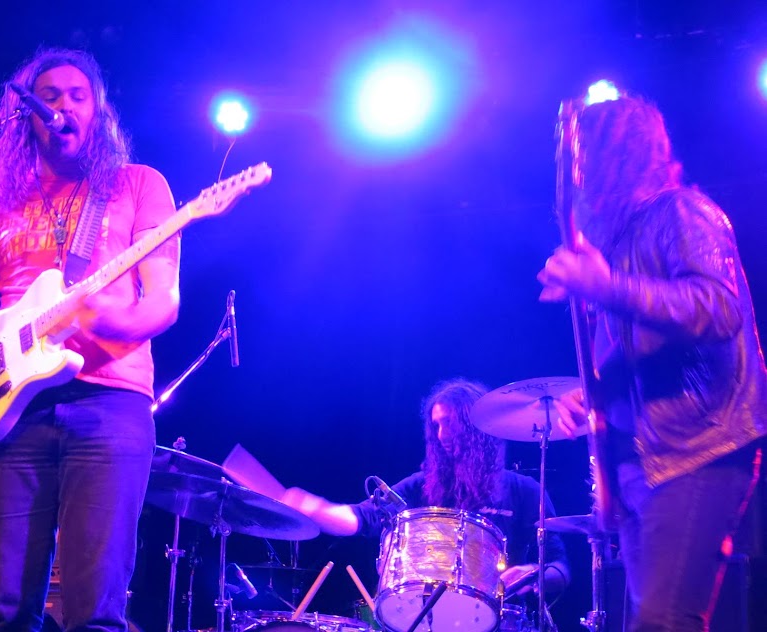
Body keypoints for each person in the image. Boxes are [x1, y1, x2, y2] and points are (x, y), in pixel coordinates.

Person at [0, 48, 181, 631]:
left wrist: (117, 323)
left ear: (98, 111)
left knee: (96, 612)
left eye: (78, 95)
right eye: (49, 96)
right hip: (10, 407)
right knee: (4, 611)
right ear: (25, 114)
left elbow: (163, 300)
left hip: (110, 403)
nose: (63, 106)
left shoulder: (138, 185)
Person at [537, 95, 767, 631]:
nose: (577, 180)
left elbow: (718, 308)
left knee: (663, 622)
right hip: (639, 461)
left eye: (584, 160)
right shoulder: (616, 247)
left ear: (615, 155)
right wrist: (590, 396)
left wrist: (608, 287)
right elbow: (635, 355)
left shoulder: (682, 212)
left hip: (698, 448)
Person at [282, 378, 570, 600]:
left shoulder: (525, 491)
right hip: (426, 615)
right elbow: (364, 517)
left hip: (499, 617)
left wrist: (534, 573)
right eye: (436, 426)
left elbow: (560, 568)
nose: (442, 435)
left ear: (476, 426)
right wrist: (317, 508)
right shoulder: (422, 484)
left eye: (450, 423)